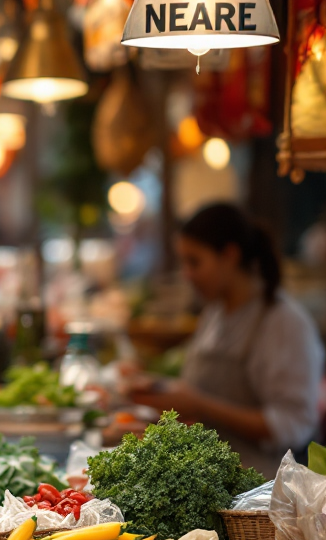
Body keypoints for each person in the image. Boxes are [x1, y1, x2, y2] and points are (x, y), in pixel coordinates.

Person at [130, 203, 324, 477]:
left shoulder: (283, 323)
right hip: (206, 473)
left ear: (230, 255)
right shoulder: (216, 312)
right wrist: (154, 385)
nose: (186, 274)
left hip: (259, 487)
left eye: (194, 262)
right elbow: (197, 389)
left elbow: (292, 426)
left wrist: (200, 405)